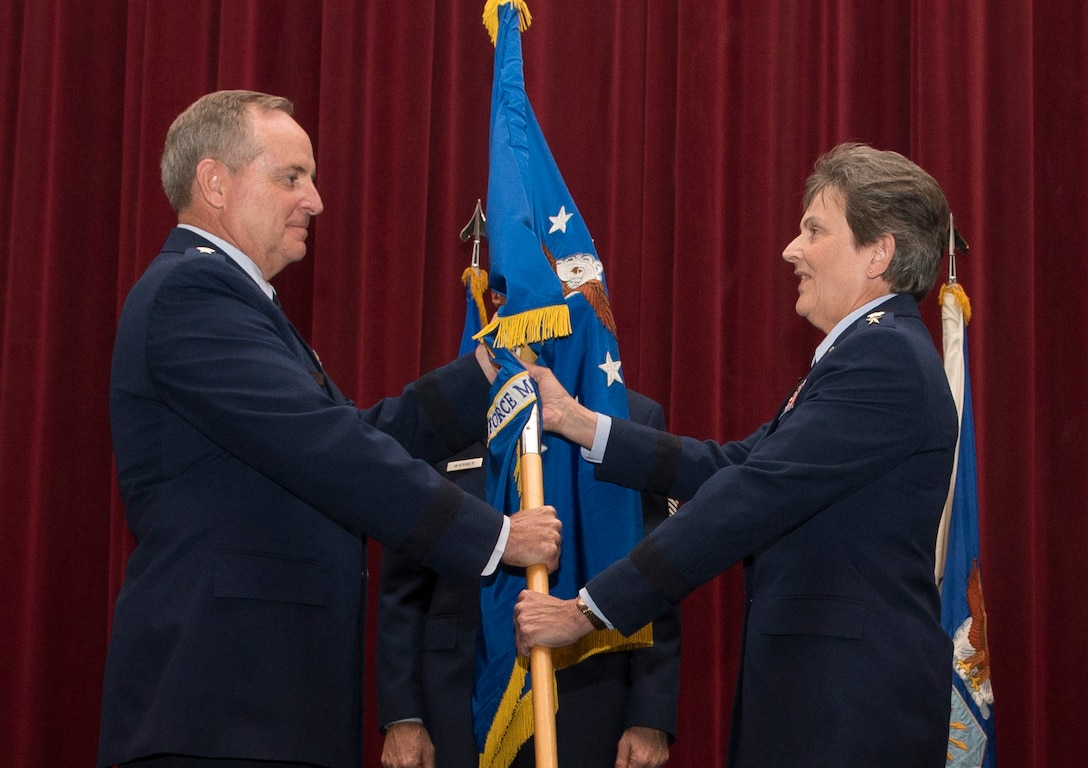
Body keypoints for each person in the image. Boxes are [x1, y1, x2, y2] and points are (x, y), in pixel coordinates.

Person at [98, 90, 561, 768]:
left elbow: (346, 435)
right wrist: (494, 537)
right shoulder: (190, 295)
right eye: (292, 177)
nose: (315, 200)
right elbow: (330, 449)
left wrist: (481, 373)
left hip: (267, 704)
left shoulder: (236, 302)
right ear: (215, 183)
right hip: (222, 706)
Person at [513, 142, 959, 768]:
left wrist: (587, 611)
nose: (790, 250)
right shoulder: (866, 354)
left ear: (878, 252)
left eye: (813, 229)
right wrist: (579, 424)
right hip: (817, 699)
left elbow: (751, 496)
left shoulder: (882, 360)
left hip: (847, 709)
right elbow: (735, 467)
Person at [377, 389, 681, 768]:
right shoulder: (448, 409)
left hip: (591, 693)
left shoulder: (629, 414)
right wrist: (405, 715)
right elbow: (403, 584)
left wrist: (649, 716)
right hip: (455, 699)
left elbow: (655, 576)